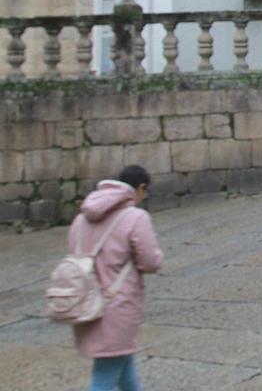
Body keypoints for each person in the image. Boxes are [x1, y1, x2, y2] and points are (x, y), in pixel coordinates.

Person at [69, 165, 163, 391]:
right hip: (117, 305)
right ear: (140, 188)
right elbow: (150, 262)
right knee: (106, 372)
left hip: (85, 303)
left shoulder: (82, 218)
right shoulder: (135, 217)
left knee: (122, 362)